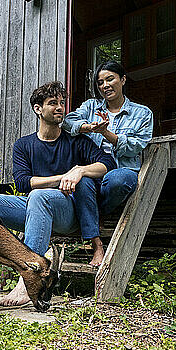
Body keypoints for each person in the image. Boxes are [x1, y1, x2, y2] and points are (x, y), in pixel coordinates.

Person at [0, 81, 116, 306]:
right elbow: (24, 183)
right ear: (38, 109)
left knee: (39, 196)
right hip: (35, 206)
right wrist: (62, 177)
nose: (60, 108)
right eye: (52, 103)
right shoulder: (24, 145)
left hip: (68, 211)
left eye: (62, 103)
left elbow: (108, 163)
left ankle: (27, 281)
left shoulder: (76, 141)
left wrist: (80, 171)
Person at [61, 61, 153, 266]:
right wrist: (88, 127)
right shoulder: (91, 106)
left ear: (123, 79)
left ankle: (95, 211)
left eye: (110, 79)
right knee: (83, 182)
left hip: (121, 169)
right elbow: (67, 122)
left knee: (119, 179)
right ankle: (97, 246)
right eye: (100, 82)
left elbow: (136, 146)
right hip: (94, 169)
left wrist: (106, 133)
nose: (105, 85)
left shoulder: (142, 113)